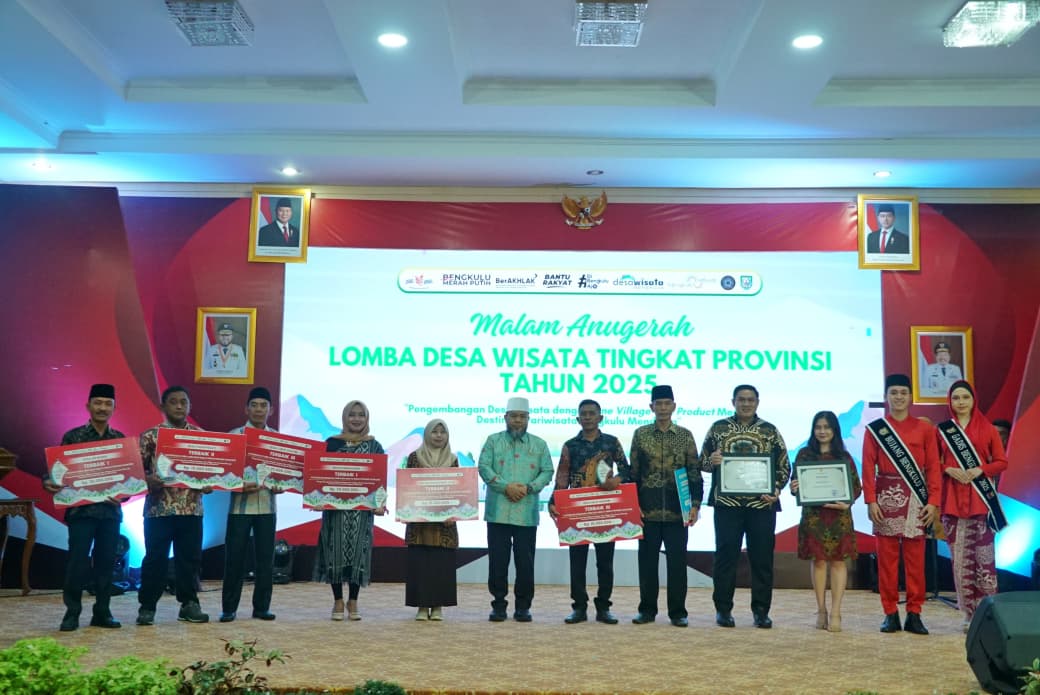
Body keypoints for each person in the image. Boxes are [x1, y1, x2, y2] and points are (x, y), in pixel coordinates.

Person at [702, 384, 789, 629]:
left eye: (751, 400)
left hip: (761, 505)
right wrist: (711, 460)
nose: (746, 403)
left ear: (757, 402)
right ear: (733, 402)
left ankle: (761, 611)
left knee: (762, 559)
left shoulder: (770, 430)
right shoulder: (718, 428)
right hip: (727, 504)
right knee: (725, 557)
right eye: (741, 399)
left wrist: (776, 489)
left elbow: (784, 466)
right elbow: (702, 462)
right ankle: (723, 610)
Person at [42, 383, 125, 631]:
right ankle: (72, 613)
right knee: (77, 563)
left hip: (109, 514)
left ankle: (102, 612)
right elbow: (55, 472)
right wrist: (48, 482)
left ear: (114, 408)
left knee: (106, 564)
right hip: (80, 513)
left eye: (108, 404)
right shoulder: (73, 437)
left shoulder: (119, 440)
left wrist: (123, 496)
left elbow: (127, 479)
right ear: (88, 406)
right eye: (97, 403)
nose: (102, 408)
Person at [862, 373, 941, 635]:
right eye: (893, 393)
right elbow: (868, 467)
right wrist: (871, 500)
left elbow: (933, 468)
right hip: (885, 497)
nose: (898, 397)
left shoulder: (925, 429)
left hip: (917, 499)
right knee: (887, 561)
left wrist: (934, 502)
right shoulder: (876, 430)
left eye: (903, 393)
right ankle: (890, 613)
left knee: (916, 561)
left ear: (911, 397)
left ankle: (915, 613)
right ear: (886, 397)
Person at [547, 399, 630, 625]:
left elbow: (627, 470)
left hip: (606, 508)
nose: (588, 417)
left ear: (600, 417)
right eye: (583, 414)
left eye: (592, 413)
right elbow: (562, 475)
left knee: (605, 562)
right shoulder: (570, 445)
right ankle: (579, 607)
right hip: (577, 511)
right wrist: (553, 501)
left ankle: (604, 607)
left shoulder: (611, 442)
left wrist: (617, 480)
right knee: (577, 562)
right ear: (578, 419)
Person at [936, 380, 1009, 632]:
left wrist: (980, 470)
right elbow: (932, 461)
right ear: (950, 402)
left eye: (965, 397)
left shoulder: (987, 429)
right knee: (960, 562)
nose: (961, 402)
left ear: (973, 400)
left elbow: (1001, 462)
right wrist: (948, 469)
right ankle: (968, 614)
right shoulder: (942, 431)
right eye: (956, 398)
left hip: (981, 503)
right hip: (952, 504)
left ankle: (987, 612)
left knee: (984, 560)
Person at [137, 386, 212, 626]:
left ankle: (189, 604)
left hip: (191, 509)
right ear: (163, 406)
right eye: (173, 402)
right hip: (158, 510)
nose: (179, 406)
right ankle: (147, 606)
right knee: (155, 559)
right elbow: (135, 473)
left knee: (189, 559)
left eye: (184, 402)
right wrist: (148, 480)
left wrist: (211, 483)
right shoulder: (150, 436)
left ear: (189, 406)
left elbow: (211, 472)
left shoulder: (201, 437)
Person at [628, 385, 701, 628]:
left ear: (673, 406)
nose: (662, 408)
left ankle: (678, 612)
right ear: (651, 407)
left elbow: (694, 472)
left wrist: (695, 505)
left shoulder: (685, 435)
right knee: (647, 563)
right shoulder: (641, 434)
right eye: (658, 404)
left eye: (666, 403)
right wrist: (633, 505)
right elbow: (634, 474)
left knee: (677, 564)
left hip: (677, 512)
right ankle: (647, 610)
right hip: (647, 512)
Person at [477, 396, 554, 622]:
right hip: (498, 512)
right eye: (513, 416)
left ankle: (523, 607)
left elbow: (547, 471)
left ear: (528, 418)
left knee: (525, 562)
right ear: (505, 417)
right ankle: (498, 605)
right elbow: (484, 467)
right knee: (497, 562)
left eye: (522, 417)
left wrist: (529, 488)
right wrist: (506, 487)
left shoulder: (539, 444)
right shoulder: (493, 441)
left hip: (526, 513)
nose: (518, 421)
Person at [789, 411, 861, 633]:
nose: (822, 431)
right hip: (814, 517)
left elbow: (856, 487)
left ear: (835, 430)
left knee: (838, 562)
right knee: (818, 561)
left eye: (827, 427)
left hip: (839, 517)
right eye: (818, 427)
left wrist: (847, 502)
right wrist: (795, 487)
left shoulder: (844, 456)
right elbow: (795, 484)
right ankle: (821, 609)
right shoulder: (804, 455)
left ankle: (836, 612)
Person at [315, 400, 386, 621]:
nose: (356, 419)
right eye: (352, 414)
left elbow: (379, 480)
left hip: (361, 513)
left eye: (361, 415)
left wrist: (380, 503)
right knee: (333, 551)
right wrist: (315, 497)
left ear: (367, 418)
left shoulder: (374, 447)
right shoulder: (331, 444)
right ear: (345, 417)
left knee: (358, 553)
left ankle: (353, 600)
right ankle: (337, 600)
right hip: (335, 511)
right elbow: (319, 474)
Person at [220, 387, 280, 623]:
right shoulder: (234, 436)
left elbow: (283, 474)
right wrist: (238, 484)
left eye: (263, 405)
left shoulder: (277, 440)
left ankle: (262, 607)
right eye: (254, 405)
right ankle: (228, 608)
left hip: (267, 507)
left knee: (265, 560)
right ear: (246, 409)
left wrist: (283, 484)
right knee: (234, 559)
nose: (258, 410)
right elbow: (224, 474)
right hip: (239, 508)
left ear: (271, 410)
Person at [404, 419, 459, 621]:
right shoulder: (414, 457)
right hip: (419, 525)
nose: (438, 435)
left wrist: (454, 512)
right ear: (427, 434)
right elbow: (408, 487)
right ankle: (421, 606)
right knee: (420, 564)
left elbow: (458, 489)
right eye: (434, 432)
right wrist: (406, 510)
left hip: (444, 526)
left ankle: (437, 607)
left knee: (441, 565)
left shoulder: (452, 459)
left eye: (442, 432)